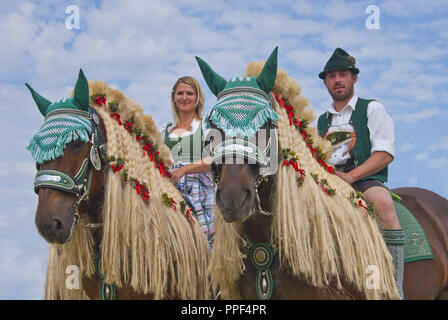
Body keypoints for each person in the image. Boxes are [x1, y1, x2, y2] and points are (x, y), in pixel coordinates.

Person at [317, 48, 405, 299]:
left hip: (364, 179)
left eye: (342, 74)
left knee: (383, 202)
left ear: (353, 78)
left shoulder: (372, 108)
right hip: (329, 182)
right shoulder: (322, 121)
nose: (337, 80)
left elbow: (385, 153)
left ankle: (394, 287)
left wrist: (352, 176)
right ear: (325, 82)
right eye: (331, 76)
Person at [160, 76, 215, 251]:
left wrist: (184, 170)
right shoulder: (165, 130)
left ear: (197, 97)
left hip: (199, 185)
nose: (184, 97)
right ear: (173, 97)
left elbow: (213, 158)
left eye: (190, 93)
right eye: (180, 93)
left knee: (204, 233)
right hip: (170, 186)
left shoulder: (205, 126)